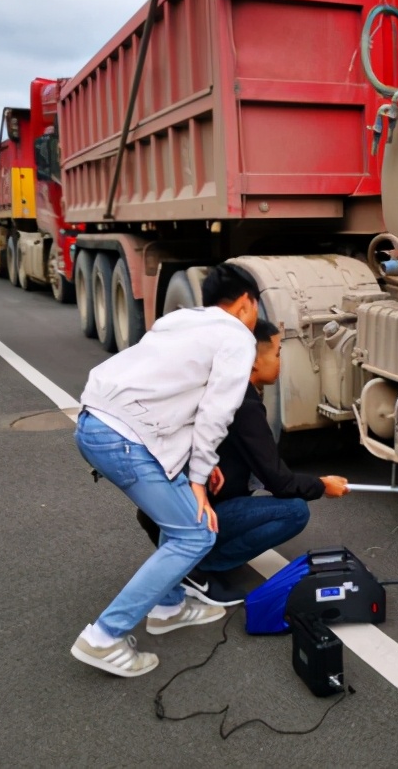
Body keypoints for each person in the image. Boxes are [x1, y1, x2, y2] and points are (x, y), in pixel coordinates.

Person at [69, 263, 261, 678]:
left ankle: (169, 606)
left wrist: (197, 465)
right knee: (196, 533)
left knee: (183, 523)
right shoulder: (237, 337)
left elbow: (171, 394)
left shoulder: (179, 320)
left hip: (95, 423)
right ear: (246, 303)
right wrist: (198, 479)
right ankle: (103, 637)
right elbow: (216, 412)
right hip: (127, 438)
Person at [136, 319, 349, 606]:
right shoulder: (243, 405)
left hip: (162, 513)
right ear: (252, 362)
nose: (280, 361)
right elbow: (279, 481)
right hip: (188, 518)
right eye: (276, 353)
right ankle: (195, 568)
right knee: (295, 512)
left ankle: (185, 556)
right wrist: (322, 485)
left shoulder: (214, 388)